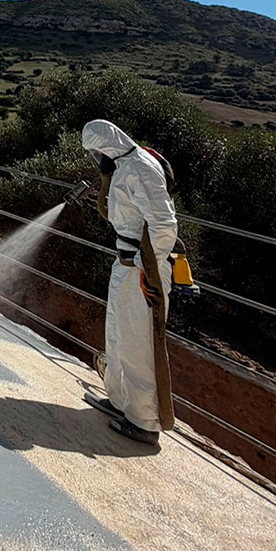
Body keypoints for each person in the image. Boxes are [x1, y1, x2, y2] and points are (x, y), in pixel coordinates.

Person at [80, 120, 178, 444]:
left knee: (138, 344)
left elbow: (164, 225)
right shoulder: (123, 166)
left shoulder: (141, 168)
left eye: (96, 151)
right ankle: (121, 401)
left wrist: (144, 268)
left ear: (106, 145)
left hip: (142, 269)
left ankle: (145, 421)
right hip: (125, 264)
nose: (96, 158)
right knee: (118, 335)